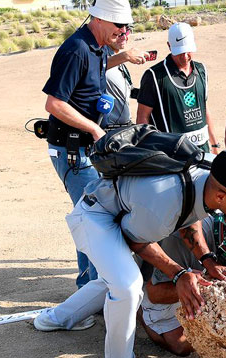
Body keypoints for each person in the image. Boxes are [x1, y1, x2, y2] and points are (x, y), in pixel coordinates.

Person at [33, 150, 226, 358]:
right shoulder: (165, 201)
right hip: (98, 215)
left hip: (130, 210)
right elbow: (137, 241)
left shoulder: (212, 173)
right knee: (128, 285)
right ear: (222, 197)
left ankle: (57, 318)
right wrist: (179, 274)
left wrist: (208, 261)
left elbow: (192, 216)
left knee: (119, 273)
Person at [42, 0, 147, 289]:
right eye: (118, 26)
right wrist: (94, 128)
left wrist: (123, 56)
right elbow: (54, 103)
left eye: (126, 26)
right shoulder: (76, 49)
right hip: (72, 150)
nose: (122, 31)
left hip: (86, 147)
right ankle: (87, 290)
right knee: (91, 219)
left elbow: (96, 68)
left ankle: (93, 286)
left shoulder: (95, 46)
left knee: (92, 215)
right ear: (100, 19)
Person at [138, 211, 226, 356]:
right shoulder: (180, 238)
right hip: (157, 285)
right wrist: (202, 283)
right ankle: (139, 310)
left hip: (197, 279)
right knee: (183, 345)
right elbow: (155, 294)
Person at [136, 23, 219, 153]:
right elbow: (142, 118)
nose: (185, 57)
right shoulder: (153, 76)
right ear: (169, 46)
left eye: (188, 50)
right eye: (180, 52)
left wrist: (214, 145)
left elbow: (204, 108)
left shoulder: (202, 70)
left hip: (203, 152)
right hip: (172, 155)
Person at [103, 28, 135, 128]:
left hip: (124, 128)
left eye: (127, 32)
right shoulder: (101, 56)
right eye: (120, 34)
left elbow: (128, 91)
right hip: (107, 130)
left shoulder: (118, 60)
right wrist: (125, 56)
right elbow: (95, 66)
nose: (124, 37)